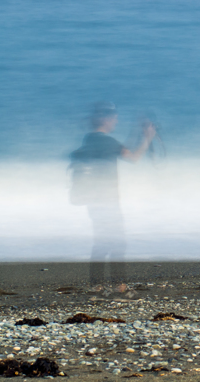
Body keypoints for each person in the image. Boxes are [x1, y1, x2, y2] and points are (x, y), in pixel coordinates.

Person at [70, 101, 155, 295]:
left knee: (101, 241)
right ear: (106, 119)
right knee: (118, 242)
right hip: (108, 199)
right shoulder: (108, 142)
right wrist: (147, 138)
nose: (116, 120)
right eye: (114, 117)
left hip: (92, 199)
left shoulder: (89, 139)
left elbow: (121, 150)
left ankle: (96, 286)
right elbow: (133, 157)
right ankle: (119, 286)